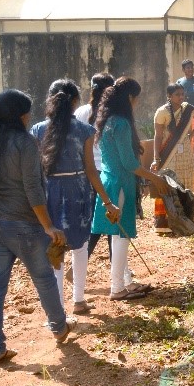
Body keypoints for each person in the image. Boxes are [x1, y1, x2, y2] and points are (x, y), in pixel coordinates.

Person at [0, 89, 74, 364]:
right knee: (43, 278)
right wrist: (48, 226)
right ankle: (59, 327)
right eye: (27, 112)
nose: (29, 117)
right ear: (20, 115)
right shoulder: (25, 143)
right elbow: (33, 189)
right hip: (23, 225)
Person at [31, 79, 118, 316]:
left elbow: (35, 169)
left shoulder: (38, 130)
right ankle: (78, 300)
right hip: (78, 192)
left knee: (55, 248)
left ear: (50, 100)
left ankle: (58, 308)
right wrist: (107, 201)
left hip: (49, 193)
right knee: (80, 247)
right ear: (76, 102)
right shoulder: (84, 130)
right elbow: (91, 169)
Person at [92, 77, 168, 301]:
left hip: (109, 181)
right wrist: (155, 179)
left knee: (118, 235)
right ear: (130, 98)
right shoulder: (122, 124)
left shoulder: (106, 120)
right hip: (121, 184)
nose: (138, 103)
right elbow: (129, 163)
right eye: (137, 98)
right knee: (121, 237)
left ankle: (125, 282)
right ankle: (117, 288)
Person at [151, 83, 194, 232]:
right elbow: (158, 136)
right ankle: (163, 224)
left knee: (185, 185)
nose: (181, 97)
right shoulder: (162, 112)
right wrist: (156, 158)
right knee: (167, 185)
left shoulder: (188, 109)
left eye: (182, 94)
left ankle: (185, 221)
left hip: (185, 155)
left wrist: (191, 134)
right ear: (169, 96)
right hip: (168, 155)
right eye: (177, 94)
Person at [77, 72, 114, 261]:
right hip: (106, 170)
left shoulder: (80, 112)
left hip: (85, 171)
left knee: (92, 217)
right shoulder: (112, 113)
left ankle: (81, 260)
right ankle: (116, 263)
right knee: (110, 217)